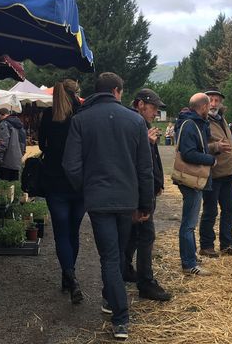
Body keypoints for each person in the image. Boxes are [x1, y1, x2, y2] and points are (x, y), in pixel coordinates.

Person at [62, 72, 153, 341]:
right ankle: (120, 317)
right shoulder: (136, 121)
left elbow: (71, 165)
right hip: (127, 199)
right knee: (118, 255)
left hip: (99, 199)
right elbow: (144, 168)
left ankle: (112, 302)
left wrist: (87, 187)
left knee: (111, 256)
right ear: (116, 91)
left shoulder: (80, 120)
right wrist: (145, 203)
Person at [38, 78, 85, 304]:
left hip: (54, 181)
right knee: (74, 231)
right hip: (79, 182)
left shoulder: (48, 115)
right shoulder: (83, 114)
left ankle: (70, 276)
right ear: (76, 92)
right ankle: (70, 275)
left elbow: (42, 146)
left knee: (61, 233)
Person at [123, 88, 171, 301]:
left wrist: (158, 182)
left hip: (144, 189)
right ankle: (146, 282)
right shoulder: (134, 123)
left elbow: (152, 160)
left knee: (135, 235)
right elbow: (133, 160)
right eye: (153, 107)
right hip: (138, 192)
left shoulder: (142, 124)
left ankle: (126, 269)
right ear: (140, 104)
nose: (156, 112)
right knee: (146, 236)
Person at [174, 93, 216, 276]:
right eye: (209, 105)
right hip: (190, 180)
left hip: (192, 180)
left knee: (190, 221)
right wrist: (210, 159)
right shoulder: (190, 125)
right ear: (204, 107)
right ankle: (189, 263)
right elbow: (188, 153)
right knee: (189, 223)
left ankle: (190, 256)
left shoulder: (193, 123)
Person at [199, 88, 232, 257]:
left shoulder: (221, 119)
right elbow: (199, 147)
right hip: (213, 172)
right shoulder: (202, 121)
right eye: (211, 100)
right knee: (210, 211)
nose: (214, 104)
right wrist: (215, 147)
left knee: (230, 210)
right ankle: (206, 246)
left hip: (227, 173)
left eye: (217, 100)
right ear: (205, 103)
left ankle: (227, 244)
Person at [0, 109, 26, 181]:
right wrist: (21, 154)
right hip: (17, 160)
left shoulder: (4, 124)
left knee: (5, 185)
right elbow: (23, 142)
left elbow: (3, 143)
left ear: (0, 115)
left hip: (6, 161)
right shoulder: (19, 124)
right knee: (13, 185)